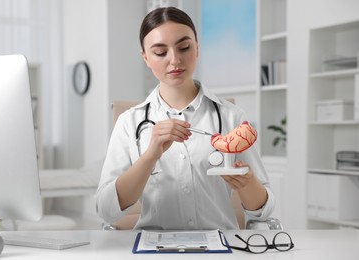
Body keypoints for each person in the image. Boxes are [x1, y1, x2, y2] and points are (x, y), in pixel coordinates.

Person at [95, 6, 274, 230]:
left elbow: (264, 210)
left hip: (219, 248)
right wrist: (150, 155)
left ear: (197, 48)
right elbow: (106, 210)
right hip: (154, 250)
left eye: (184, 47)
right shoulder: (129, 123)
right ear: (146, 58)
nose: (175, 60)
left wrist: (248, 184)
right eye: (160, 53)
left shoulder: (231, 117)